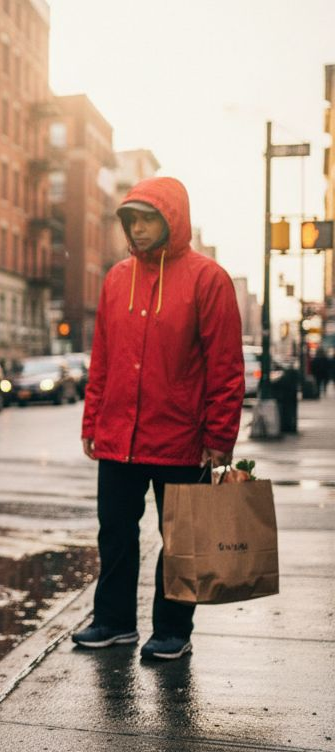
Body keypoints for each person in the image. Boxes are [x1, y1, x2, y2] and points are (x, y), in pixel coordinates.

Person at [74, 176, 244, 661]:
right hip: (118, 437)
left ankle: (172, 630)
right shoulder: (115, 279)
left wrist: (220, 437)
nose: (139, 229)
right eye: (132, 220)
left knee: (182, 540)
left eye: (149, 218)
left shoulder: (208, 279)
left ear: (172, 220)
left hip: (182, 438)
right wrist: (92, 422)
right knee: (115, 533)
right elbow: (102, 359)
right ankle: (113, 621)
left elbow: (226, 365)